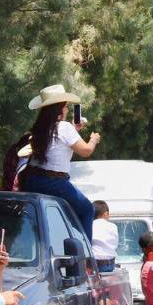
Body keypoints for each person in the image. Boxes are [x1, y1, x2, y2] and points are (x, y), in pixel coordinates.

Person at [17, 84, 101, 239]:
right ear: (60, 109)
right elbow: (86, 151)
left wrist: (74, 130)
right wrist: (93, 140)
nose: (67, 110)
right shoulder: (64, 127)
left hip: (32, 180)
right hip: (54, 182)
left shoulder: (40, 128)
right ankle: (85, 251)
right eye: (65, 106)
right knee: (87, 210)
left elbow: (56, 143)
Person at [91, 201, 119, 273]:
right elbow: (115, 243)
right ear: (106, 214)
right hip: (111, 263)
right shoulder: (113, 226)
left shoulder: (90, 225)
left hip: (95, 262)